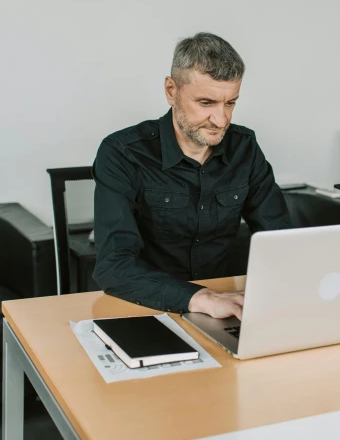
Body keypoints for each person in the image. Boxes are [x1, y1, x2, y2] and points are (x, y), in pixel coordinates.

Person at [91, 32, 291, 320]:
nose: (221, 120)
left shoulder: (244, 147)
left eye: (230, 103)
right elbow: (114, 266)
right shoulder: (122, 153)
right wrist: (199, 298)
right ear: (171, 90)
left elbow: (280, 238)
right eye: (206, 103)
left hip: (222, 307)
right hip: (143, 307)